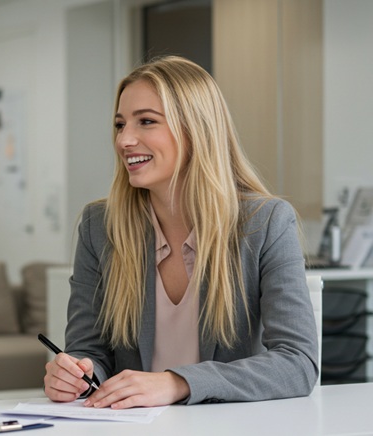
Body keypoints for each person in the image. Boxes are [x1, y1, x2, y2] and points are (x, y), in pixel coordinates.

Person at [43, 56, 319, 409]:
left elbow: (297, 363)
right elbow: (90, 351)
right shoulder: (100, 226)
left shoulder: (265, 224)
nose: (125, 140)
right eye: (119, 124)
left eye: (146, 122)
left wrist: (178, 383)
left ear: (195, 129)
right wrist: (75, 376)